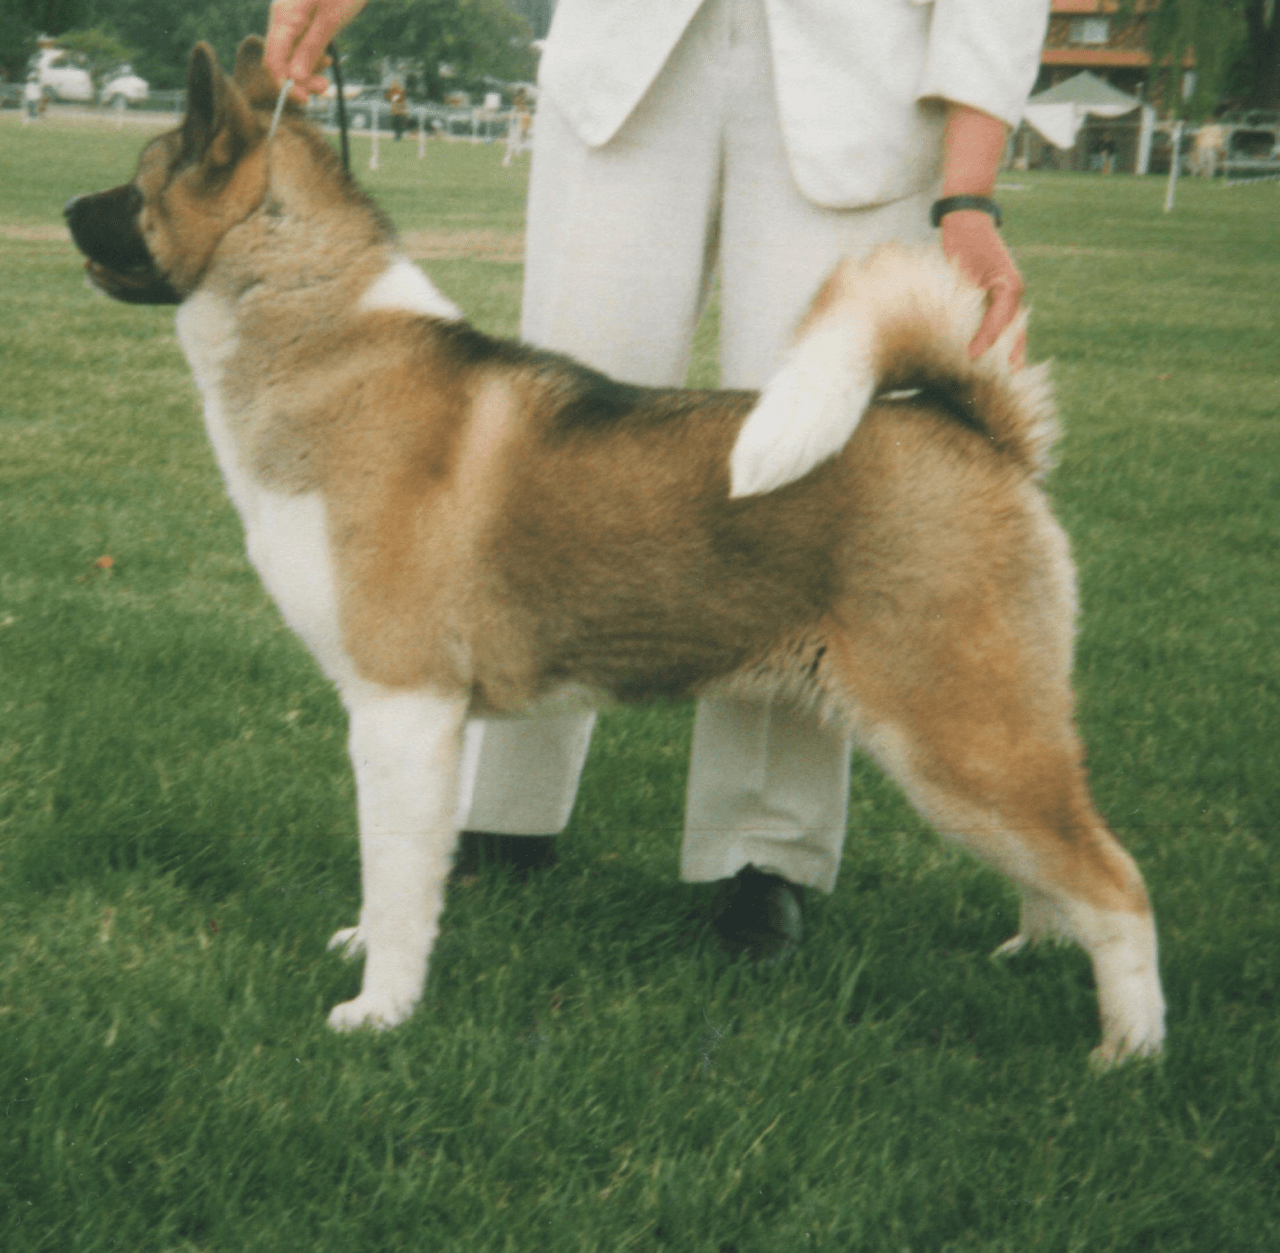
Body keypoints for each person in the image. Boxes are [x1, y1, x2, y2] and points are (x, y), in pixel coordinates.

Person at [266, 0, 1050, 960]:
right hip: (621, 71)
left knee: (807, 481)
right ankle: (498, 810)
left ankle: (763, 850)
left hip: (866, 80)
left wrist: (968, 188)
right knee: (541, 454)